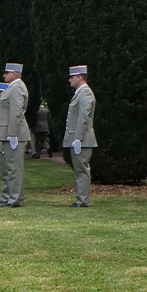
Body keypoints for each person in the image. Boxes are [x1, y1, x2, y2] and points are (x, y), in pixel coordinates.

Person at [0, 63, 31, 207]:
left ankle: (15, 199)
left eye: (7, 73)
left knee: (14, 168)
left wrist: (13, 134)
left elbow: (16, 112)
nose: (4, 75)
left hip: (14, 133)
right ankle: (8, 196)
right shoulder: (12, 87)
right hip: (7, 133)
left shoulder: (17, 87)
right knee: (8, 167)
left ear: (15, 74)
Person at [64, 65, 97, 207]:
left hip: (82, 139)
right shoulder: (80, 93)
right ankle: (81, 198)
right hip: (79, 139)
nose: (70, 79)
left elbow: (84, 117)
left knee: (82, 170)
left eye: (72, 77)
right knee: (79, 170)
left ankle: (83, 200)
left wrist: (78, 138)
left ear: (80, 77)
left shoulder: (85, 93)